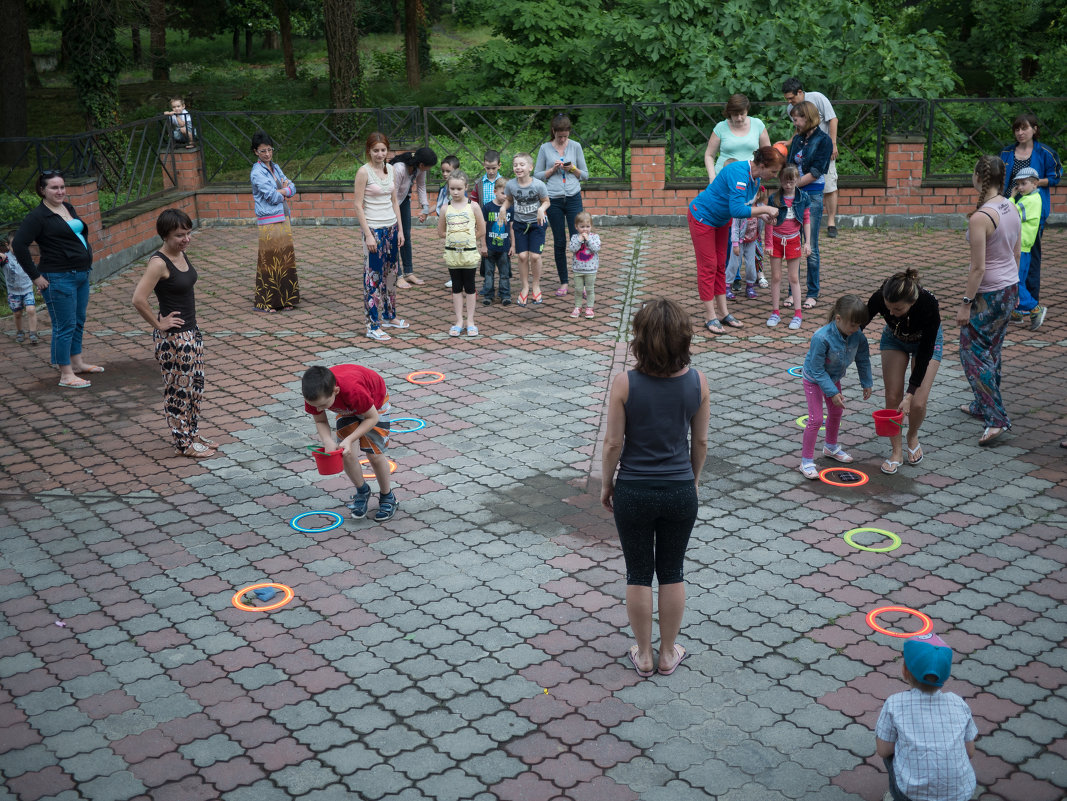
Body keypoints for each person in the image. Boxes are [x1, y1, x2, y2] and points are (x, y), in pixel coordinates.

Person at [600, 298, 710, 678]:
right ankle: (667, 655)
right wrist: (691, 481)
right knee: (672, 571)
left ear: (640, 340)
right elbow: (700, 444)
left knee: (638, 573)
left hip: (633, 490)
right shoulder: (697, 381)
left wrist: (607, 484)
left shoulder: (624, 383)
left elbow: (613, 444)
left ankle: (643, 655)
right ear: (684, 339)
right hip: (680, 490)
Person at [132, 209, 215, 459]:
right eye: (180, 235)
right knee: (178, 391)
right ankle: (182, 442)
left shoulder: (181, 254)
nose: (186, 239)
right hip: (175, 339)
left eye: (188, 233)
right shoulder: (158, 263)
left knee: (195, 387)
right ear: (165, 235)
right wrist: (160, 325)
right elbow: (138, 299)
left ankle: (192, 431)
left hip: (192, 332)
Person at [12, 170, 103, 388]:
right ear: (42, 190)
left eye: (62, 187)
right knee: (65, 325)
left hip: (80, 274)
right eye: (54, 188)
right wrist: (35, 276)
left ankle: (77, 362)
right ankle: (65, 374)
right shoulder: (37, 217)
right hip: (58, 277)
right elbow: (19, 245)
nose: (60, 191)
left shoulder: (67, 207)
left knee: (78, 320)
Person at [958, 155, 1020, 447]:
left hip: (989, 293)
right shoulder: (1011, 207)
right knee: (992, 350)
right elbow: (1016, 253)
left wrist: (966, 303)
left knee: (971, 352)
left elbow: (978, 268)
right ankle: (982, 404)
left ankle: (996, 418)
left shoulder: (981, 217)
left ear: (979, 178)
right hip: (1009, 288)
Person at [687, 145, 782, 335]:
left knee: (721, 265)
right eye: (773, 171)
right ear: (762, 165)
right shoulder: (739, 173)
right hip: (702, 217)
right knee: (709, 266)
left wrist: (761, 216)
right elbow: (737, 210)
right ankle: (709, 316)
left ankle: (723, 313)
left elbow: (746, 205)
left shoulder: (755, 178)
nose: (775, 175)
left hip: (721, 221)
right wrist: (765, 209)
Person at [875, 632, 977, 801]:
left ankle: (897, 795)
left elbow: (883, 750)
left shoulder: (894, 704)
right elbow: (970, 752)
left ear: (904, 671)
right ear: (945, 676)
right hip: (960, 794)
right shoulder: (959, 704)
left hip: (912, 795)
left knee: (890, 749)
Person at [865, 269, 942, 475]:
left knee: (916, 402)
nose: (890, 313)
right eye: (888, 309)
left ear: (911, 302)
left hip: (924, 344)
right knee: (892, 397)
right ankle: (896, 451)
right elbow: (860, 322)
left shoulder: (928, 305)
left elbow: (926, 353)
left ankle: (912, 435)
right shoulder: (882, 297)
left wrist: (910, 393)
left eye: (897, 309)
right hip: (894, 339)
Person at [302, 364, 398, 522]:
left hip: (374, 405)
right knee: (345, 453)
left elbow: (372, 418)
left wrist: (349, 439)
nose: (319, 409)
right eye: (315, 406)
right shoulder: (313, 397)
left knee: (374, 455)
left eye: (324, 405)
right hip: (346, 409)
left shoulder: (353, 389)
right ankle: (362, 491)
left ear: (336, 391)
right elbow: (320, 420)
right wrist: (327, 441)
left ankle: (388, 496)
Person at [798, 294, 873, 479]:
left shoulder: (857, 336)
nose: (856, 329)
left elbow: (863, 359)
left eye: (859, 325)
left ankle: (830, 447)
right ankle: (806, 461)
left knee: (837, 412)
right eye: (853, 325)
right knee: (815, 419)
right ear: (838, 319)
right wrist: (832, 392)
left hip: (833, 378)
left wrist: (867, 382)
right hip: (814, 379)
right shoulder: (821, 338)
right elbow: (816, 370)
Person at [999, 112, 1061, 317]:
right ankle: (1015, 303)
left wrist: (1033, 183)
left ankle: (1029, 301)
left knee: (1029, 257)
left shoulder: (1045, 152)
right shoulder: (1007, 152)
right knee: (1007, 256)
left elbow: (1055, 177)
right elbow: (1000, 177)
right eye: (1017, 129)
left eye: (1024, 128)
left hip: (1031, 211)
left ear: (1034, 129)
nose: (1020, 132)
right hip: (1007, 209)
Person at [354, 132, 409, 342]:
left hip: (392, 228)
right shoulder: (363, 172)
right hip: (374, 229)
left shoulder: (392, 169)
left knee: (391, 275)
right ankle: (372, 324)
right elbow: (357, 205)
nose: (380, 154)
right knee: (373, 278)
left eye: (383, 150)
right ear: (369, 150)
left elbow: (395, 202)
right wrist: (368, 235)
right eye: (376, 150)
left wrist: (401, 230)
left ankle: (389, 316)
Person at [785, 100, 833, 309]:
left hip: (811, 196)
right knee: (790, 241)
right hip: (793, 194)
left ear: (808, 117)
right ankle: (791, 291)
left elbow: (816, 171)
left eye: (798, 117)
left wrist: (793, 186)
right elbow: (789, 164)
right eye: (794, 117)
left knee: (810, 245)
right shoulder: (797, 138)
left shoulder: (824, 140)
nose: (794, 120)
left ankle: (812, 292)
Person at [535, 114, 589, 298]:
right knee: (559, 242)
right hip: (554, 200)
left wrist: (572, 169)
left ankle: (580, 282)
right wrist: (552, 170)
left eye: (565, 135)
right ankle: (564, 282)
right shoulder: (544, 148)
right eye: (560, 136)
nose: (563, 139)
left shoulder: (575, 146)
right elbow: (537, 175)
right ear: (553, 132)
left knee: (579, 240)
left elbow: (585, 175)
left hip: (573, 197)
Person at [783, 78, 839, 237]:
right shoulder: (790, 109)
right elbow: (798, 128)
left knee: (829, 185)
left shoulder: (817, 98)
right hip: (805, 151)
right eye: (787, 99)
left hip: (823, 148)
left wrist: (833, 143)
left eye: (791, 98)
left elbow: (833, 119)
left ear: (800, 92)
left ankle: (831, 223)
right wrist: (790, 142)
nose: (789, 101)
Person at [250, 132, 299, 312]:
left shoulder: (275, 167)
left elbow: (293, 187)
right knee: (270, 261)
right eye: (263, 151)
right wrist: (285, 189)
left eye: (270, 150)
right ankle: (267, 302)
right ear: (256, 152)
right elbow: (271, 196)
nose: (268, 154)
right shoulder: (257, 172)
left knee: (285, 259)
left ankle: (286, 299)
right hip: (269, 220)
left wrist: (284, 189)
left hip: (283, 216)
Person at [438, 170, 487, 337]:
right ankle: (459, 321)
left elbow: (482, 229)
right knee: (456, 287)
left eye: (459, 188)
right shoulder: (445, 208)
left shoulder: (473, 206)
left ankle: (471, 321)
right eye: (452, 188)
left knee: (470, 286)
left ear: (466, 187)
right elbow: (441, 231)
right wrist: (454, 237)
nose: (456, 192)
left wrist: (469, 239)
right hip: (452, 255)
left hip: (469, 254)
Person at [765, 165, 811, 330]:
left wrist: (807, 242)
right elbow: (770, 222)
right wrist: (768, 243)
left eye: (791, 181)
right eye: (785, 181)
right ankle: (775, 312)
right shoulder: (774, 198)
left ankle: (797, 314)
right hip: (776, 241)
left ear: (797, 180)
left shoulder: (803, 197)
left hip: (793, 241)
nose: (788, 185)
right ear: (780, 181)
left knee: (794, 278)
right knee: (776, 277)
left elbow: (806, 220)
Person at [504, 153, 549, 306]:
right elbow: (509, 199)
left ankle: (536, 285)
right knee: (522, 256)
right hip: (520, 224)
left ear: (530, 167)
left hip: (537, 224)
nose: (518, 167)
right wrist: (503, 209)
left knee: (535, 256)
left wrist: (542, 208)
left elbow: (546, 201)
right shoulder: (510, 185)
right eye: (515, 165)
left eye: (522, 164)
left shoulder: (538, 185)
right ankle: (525, 287)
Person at [390, 146, 437, 287]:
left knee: (406, 236)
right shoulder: (399, 169)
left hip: (403, 200)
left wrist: (425, 207)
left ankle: (408, 272)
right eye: (428, 167)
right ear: (422, 164)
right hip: (390, 203)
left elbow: (421, 186)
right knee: (395, 237)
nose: (427, 170)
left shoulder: (418, 169)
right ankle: (397, 275)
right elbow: (393, 195)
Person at [1009, 167, 1046, 330]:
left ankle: (1035, 309)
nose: (1021, 187)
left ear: (1035, 183)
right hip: (1025, 247)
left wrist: (1011, 198)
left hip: (1021, 247)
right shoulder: (1035, 197)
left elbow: (1011, 214)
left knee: (1014, 282)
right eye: (1019, 184)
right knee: (1020, 279)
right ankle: (1016, 312)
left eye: (1024, 184)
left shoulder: (1028, 201)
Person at [703, 93, 771, 181]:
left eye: (742, 114)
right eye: (735, 114)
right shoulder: (720, 127)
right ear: (729, 113)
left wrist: (762, 172)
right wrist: (712, 178)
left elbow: (767, 153)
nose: (739, 118)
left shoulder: (757, 125)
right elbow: (709, 155)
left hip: (750, 177)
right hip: (723, 178)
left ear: (747, 110)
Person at [726, 184, 766, 301]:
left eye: (753, 194)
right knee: (733, 264)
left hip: (752, 241)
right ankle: (727, 286)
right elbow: (734, 227)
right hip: (739, 241)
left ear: (758, 195)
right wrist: (735, 244)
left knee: (750, 265)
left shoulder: (760, 207)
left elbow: (765, 218)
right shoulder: (740, 207)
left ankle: (750, 286)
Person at [1, 235, 39, 344]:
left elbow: (33, 271)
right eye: (14, 245)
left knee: (31, 310)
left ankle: (33, 333)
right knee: (17, 314)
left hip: (27, 289)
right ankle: (20, 331)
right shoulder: (5, 258)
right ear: (7, 246)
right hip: (13, 292)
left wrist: (38, 285)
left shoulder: (26, 256)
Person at [481, 177, 512, 306]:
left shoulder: (510, 208)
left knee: (504, 273)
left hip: (504, 247)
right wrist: (483, 245)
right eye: (503, 193)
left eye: (508, 194)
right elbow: (482, 227)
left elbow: (512, 228)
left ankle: (505, 295)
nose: (505, 196)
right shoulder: (488, 207)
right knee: (488, 273)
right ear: (495, 191)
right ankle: (488, 295)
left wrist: (513, 245)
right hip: (490, 247)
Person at [568, 211, 601, 318]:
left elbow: (596, 248)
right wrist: (579, 240)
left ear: (591, 226)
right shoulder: (574, 237)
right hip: (578, 269)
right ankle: (578, 307)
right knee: (578, 289)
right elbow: (572, 249)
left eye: (587, 226)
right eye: (582, 227)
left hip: (591, 270)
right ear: (576, 227)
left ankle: (589, 308)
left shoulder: (595, 237)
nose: (585, 229)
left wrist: (588, 240)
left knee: (590, 289)